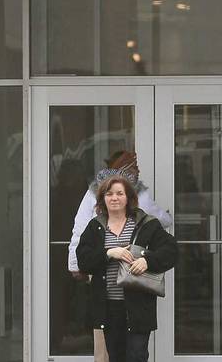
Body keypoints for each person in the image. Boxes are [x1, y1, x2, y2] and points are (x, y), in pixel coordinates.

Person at [67, 151, 172, 361]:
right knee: (111, 353)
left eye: (120, 194)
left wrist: (147, 260)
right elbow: (83, 248)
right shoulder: (96, 225)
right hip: (108, 303)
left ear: (129, 197)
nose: (115, 198)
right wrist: (106, 254)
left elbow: (170, 250)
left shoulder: (144, 223)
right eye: (109, 194)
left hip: (137, 302)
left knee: (136, 354)